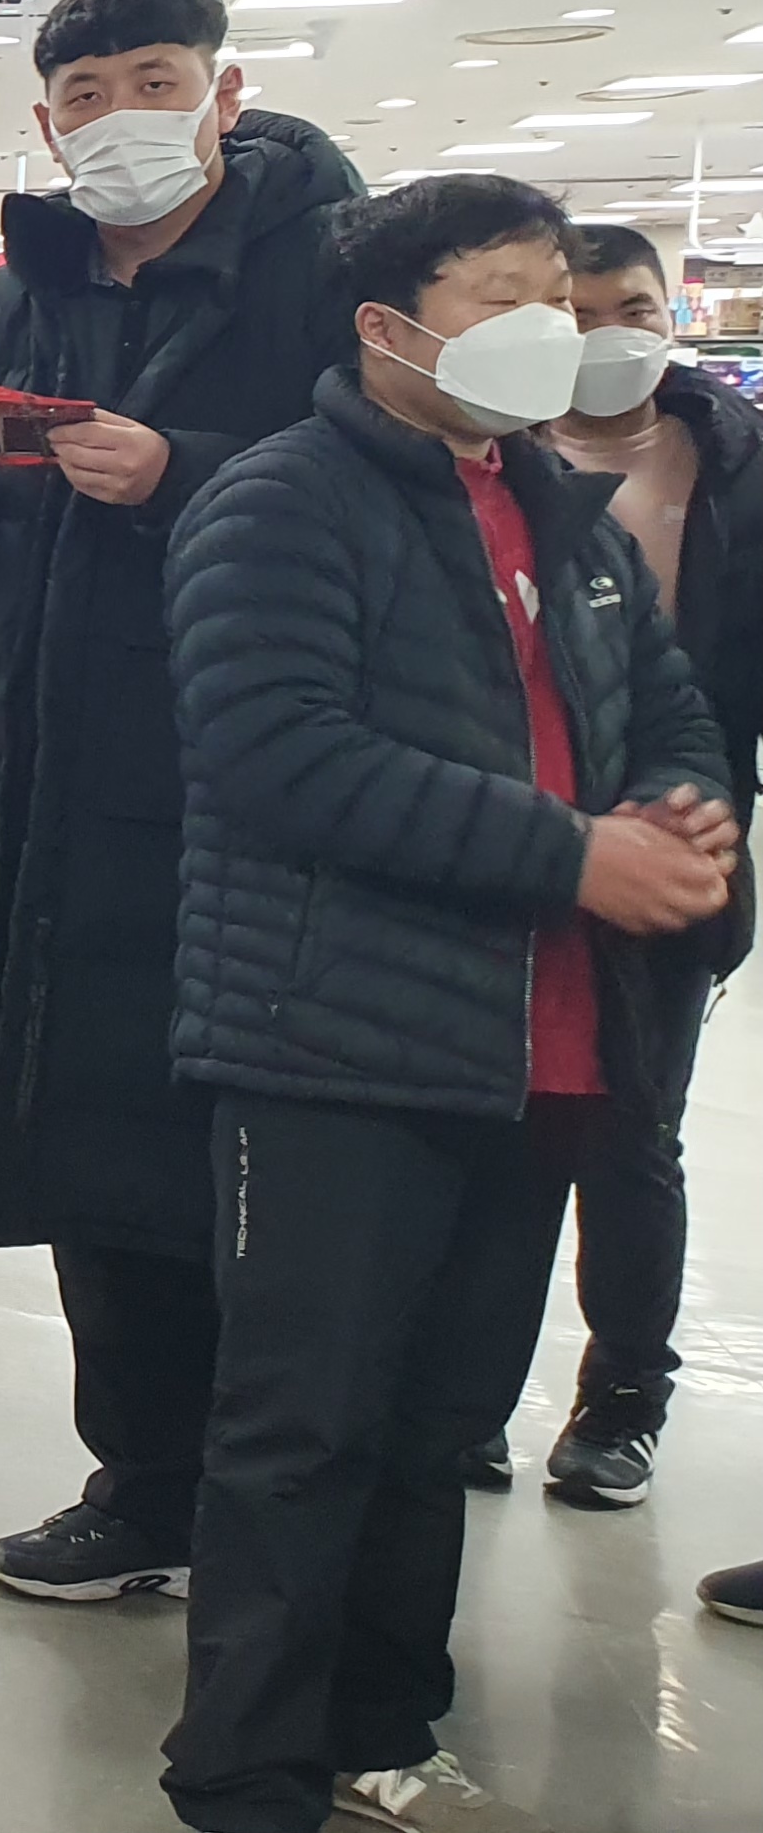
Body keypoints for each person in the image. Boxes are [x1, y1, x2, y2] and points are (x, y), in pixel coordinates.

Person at [159, 176, 737, 1833]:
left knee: (440, 1420)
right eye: (504, 296)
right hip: (328, 1037)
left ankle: (380, 1722)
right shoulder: (282, 501)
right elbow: (280, 754)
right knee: (302, 1425)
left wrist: (686, 809)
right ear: (389, 327)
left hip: (535, 1043)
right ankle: (244, 1768)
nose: (547, 326)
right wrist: (573, 854)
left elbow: (667, 705)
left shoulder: (561, 514)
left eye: (558, 291)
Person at [0, 0, 368, 1605]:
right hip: (44, 780)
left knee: (259, 1157)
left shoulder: (330, 281)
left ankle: (299, 1499)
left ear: (224, 93)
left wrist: (185, 476)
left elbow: (395, 506)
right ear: (46, 125)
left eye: (154, 82)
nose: (118, 121)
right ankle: (147, 1479)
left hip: (256, 782)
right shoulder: (8, 305)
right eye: (84, 97)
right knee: (85, 1128)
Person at [470, 222, 762, 1506]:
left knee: (633, 1134)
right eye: (573, 314)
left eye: (631, 309)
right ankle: (469, 1394)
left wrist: (693, 812)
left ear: (671, 312)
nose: (605, 338)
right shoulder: (491, 455)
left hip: (679, 835)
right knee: (496, 1126)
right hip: (504, 834)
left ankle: (624, 1399)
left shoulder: (737, 467)